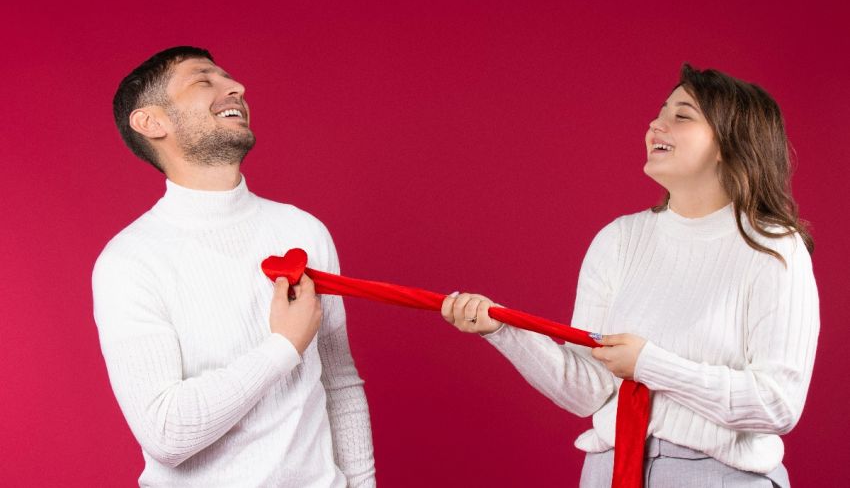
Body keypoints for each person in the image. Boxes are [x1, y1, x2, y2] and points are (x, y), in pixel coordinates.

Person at [441, 64, 818, 487]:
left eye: (683, 115)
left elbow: (776, 404)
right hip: (610, 469)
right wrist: (502, 328)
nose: (656, 124)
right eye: (661, 112)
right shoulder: (619, 240)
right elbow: (587, 389)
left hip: (720, 476)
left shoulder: (772, 248)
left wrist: (649, 364)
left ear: (729, 145)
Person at [93, 46, 375, 487]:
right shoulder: (130, 261)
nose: (236, 88)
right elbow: (166, 434)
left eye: (229, 78)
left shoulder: (303, 230)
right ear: (152, 122)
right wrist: (283, 346)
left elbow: (339, 384)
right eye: (204, 81)